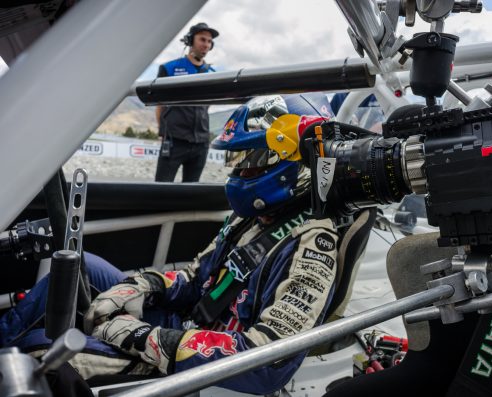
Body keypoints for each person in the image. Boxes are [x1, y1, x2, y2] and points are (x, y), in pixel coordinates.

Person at [0, 94, 342, 395]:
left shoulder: (313, 244)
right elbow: (194, 279)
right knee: (78, 266)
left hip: (199, 364)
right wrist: (139, 286)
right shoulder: (250, 218)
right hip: (183, 324)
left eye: (249, 161)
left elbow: (267, 361)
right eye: (235, 161)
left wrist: (141, 337)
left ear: (294, 162)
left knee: (38, 356)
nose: (237, 174)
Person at [154, 22, 218, 183]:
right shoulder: (169, 69)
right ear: (190, 41)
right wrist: (163, 132)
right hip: (174, 141)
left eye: (209, 41)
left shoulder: (212, 74)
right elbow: (159, 103)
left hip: (201, 144)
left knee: (190, 193)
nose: (206, 45)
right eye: (202, 39)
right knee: (161, 191)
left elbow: (207, 105)